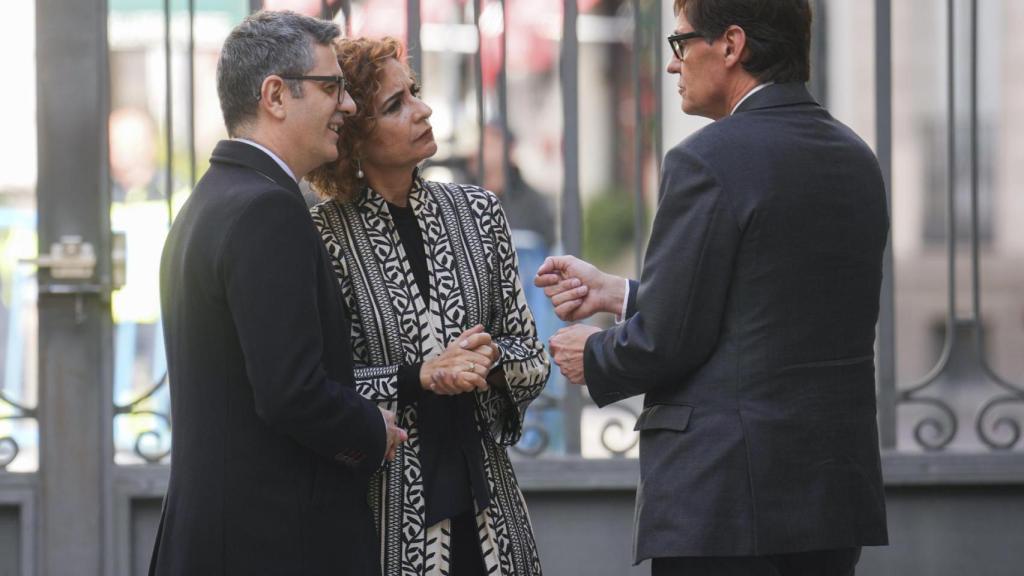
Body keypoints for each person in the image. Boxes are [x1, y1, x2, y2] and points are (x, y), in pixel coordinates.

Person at [536, 1, 889, 574]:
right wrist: (621, 294)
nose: (673, 65)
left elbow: (667, 343)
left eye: (680, 44)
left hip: (724, 502)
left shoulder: (707, 159)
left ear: (730, 45)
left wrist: (592, 353)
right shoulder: (855, 158)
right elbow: (765, 306)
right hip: (829, 498)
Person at [150, 11, 406, 575]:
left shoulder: (210, 200)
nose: (349, 106)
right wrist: (372, 428)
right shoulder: (267, 210)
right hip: (270, 544)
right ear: (275, 95)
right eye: (332, 87)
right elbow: (291, 390)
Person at [306, 36, 548, 576]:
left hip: (491, 513)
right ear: (354, 137)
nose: (423, 109)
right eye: (396, 105)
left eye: (413, 92)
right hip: (383, 517)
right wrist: (423, 376)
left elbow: (533, 356)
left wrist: (486, 362)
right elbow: (321, 386)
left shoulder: (478, 213)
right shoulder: (323, 237)